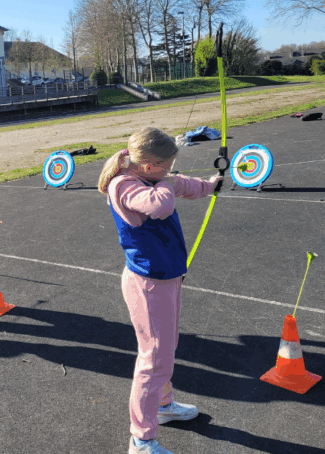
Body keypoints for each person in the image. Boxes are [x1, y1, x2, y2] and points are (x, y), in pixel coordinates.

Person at [98, 127, 223, 454]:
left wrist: (209, 187)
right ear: (150, 166)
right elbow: (160, 205)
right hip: (148, 283)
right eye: (166, 166)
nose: (170, 172)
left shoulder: (152, 177)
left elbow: (181, 184)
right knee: (153, 361)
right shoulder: (123, 185)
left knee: (165, 351)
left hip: (165, 278)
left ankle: (163, 406)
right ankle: (141, 441)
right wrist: (168, 182)